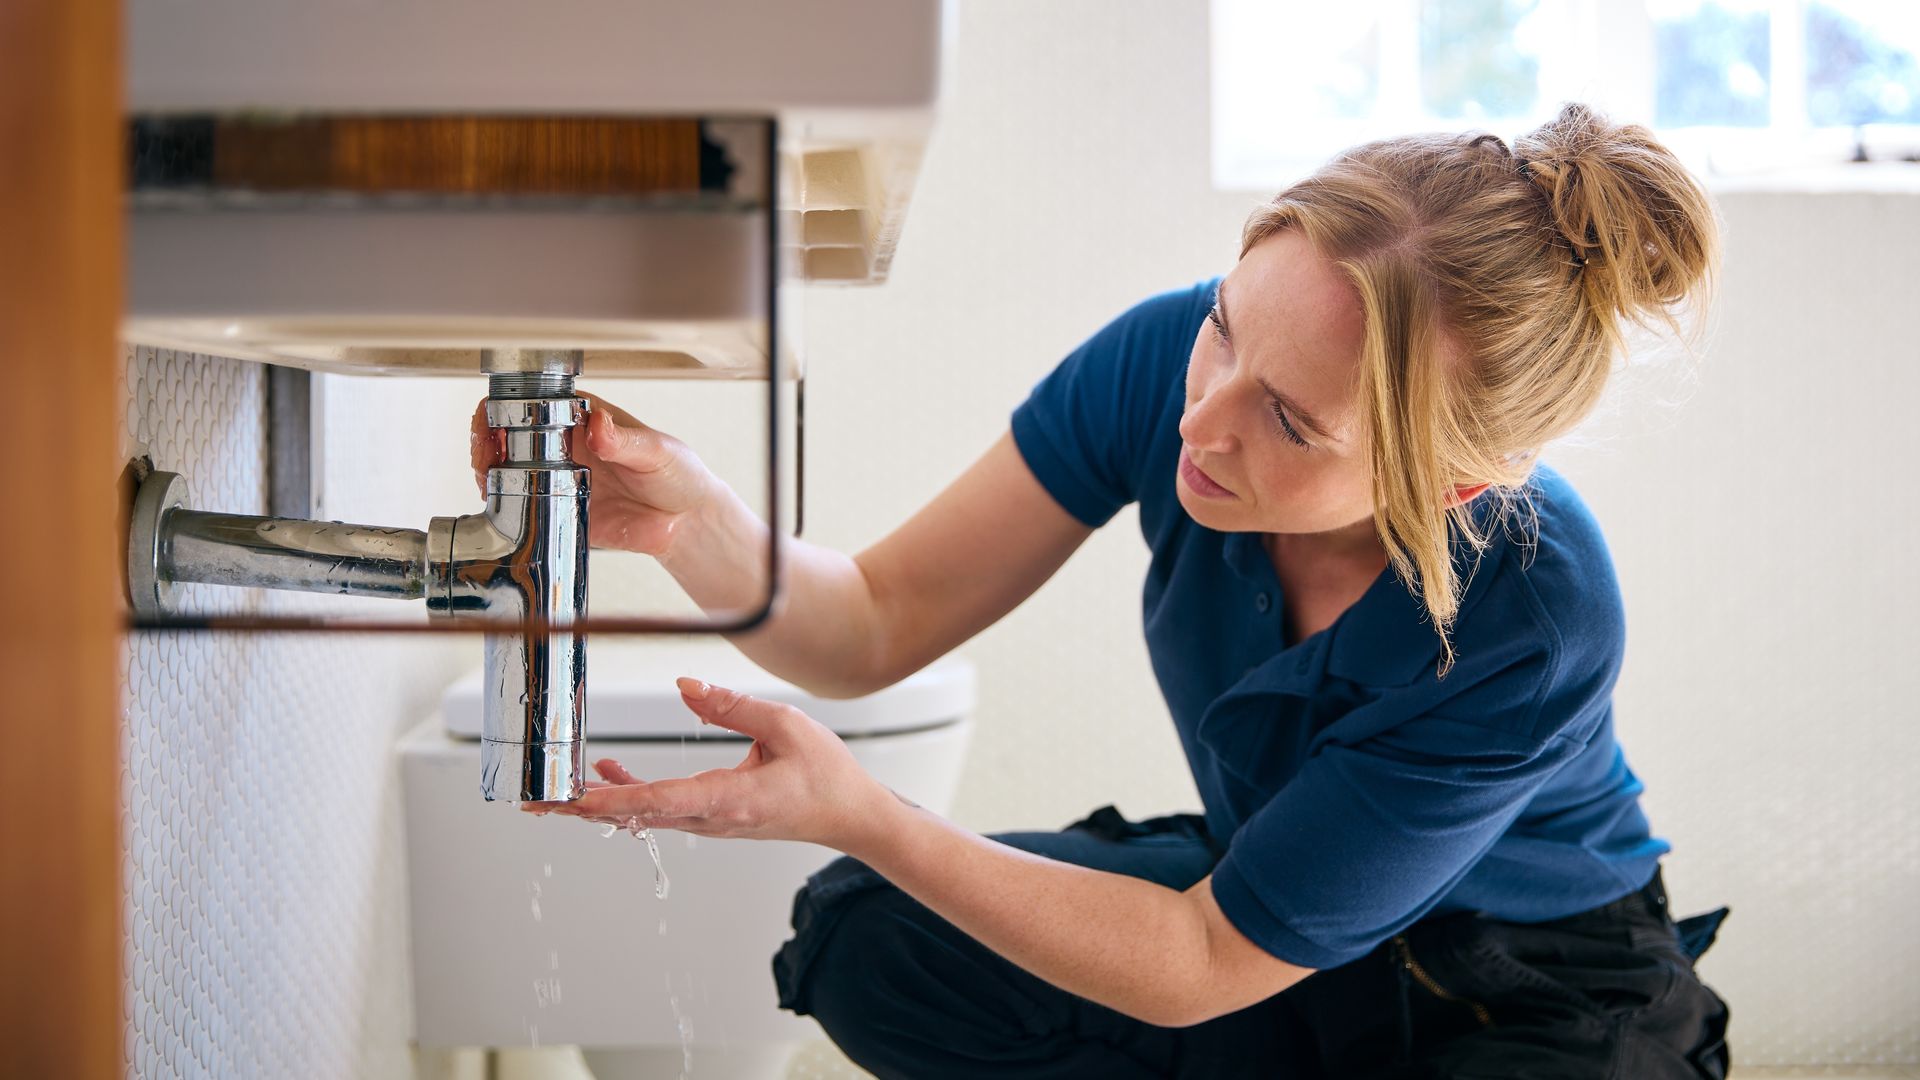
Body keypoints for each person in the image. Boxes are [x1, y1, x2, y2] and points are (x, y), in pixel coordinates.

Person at [495, 102, 1734, 1078]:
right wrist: (696, 520)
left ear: (1456, 482)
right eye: (1226, 326)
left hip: (1523, 988)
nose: (1206, 415)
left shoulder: (1541, 607)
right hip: (1266, 913)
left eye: (1293, 422)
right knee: (871, 937)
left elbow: (1198, 961)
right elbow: (874, 622)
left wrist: (866, 807)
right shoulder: (1171, 368)